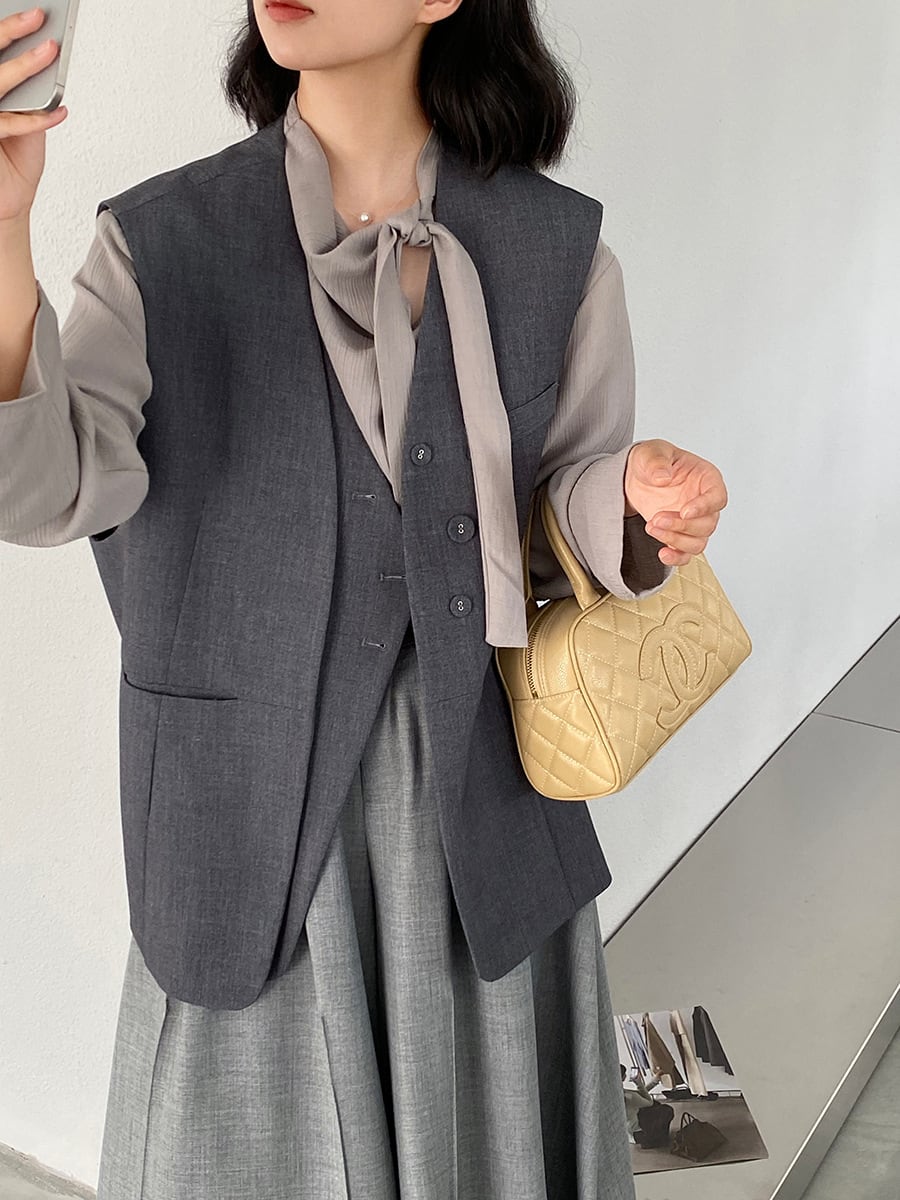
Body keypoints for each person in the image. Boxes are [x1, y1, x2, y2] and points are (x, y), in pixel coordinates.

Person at [0, 1, 728, 1195]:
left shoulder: (561, 249)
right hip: (246, 824)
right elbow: (43, 491)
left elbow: (554, 508)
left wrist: (635, 499)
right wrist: (2, 231)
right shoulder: (158, 242)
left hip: (485, 823)